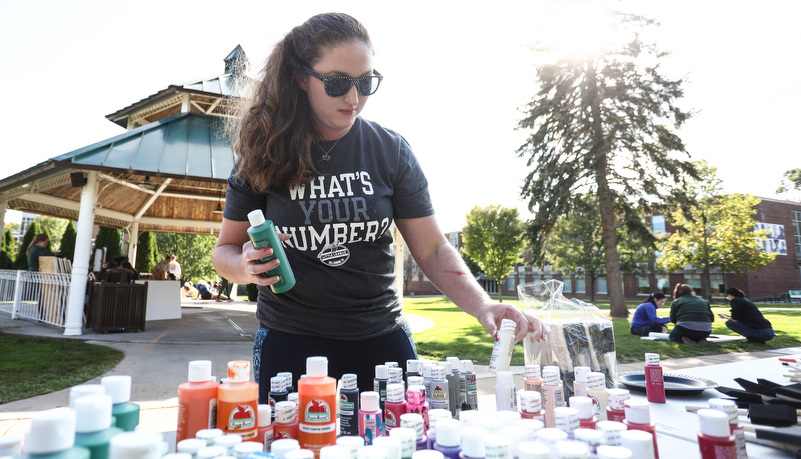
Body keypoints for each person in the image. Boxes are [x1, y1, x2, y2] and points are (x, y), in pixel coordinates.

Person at [212, 13, 547, 399]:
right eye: (337, 83)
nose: (354, 99)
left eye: (365, 82)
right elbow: (226, 251)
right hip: (291, 341)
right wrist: (244, 265)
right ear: (302, 78)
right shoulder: (262, 153)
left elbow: (432, 248)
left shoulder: (390, 151)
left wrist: (483, 306)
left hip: (382, 340)